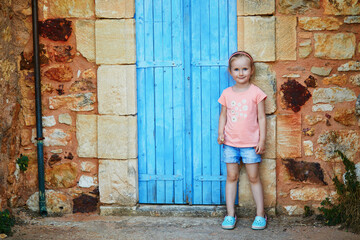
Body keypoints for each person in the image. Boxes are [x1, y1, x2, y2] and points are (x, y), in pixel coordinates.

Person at [218, 51, 267, 230]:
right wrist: (220, 133)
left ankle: (260, 215)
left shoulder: (256, 93)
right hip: (231, 144)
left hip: (250, 145)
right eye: (236, 69)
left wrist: (262, 140)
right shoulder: (227, 93)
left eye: (244, 69)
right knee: (232, 177)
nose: (241, 73)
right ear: (230, 72)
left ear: (251, 70)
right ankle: (230, 214)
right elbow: (223, 115)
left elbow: (262, 118)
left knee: (254, 178)